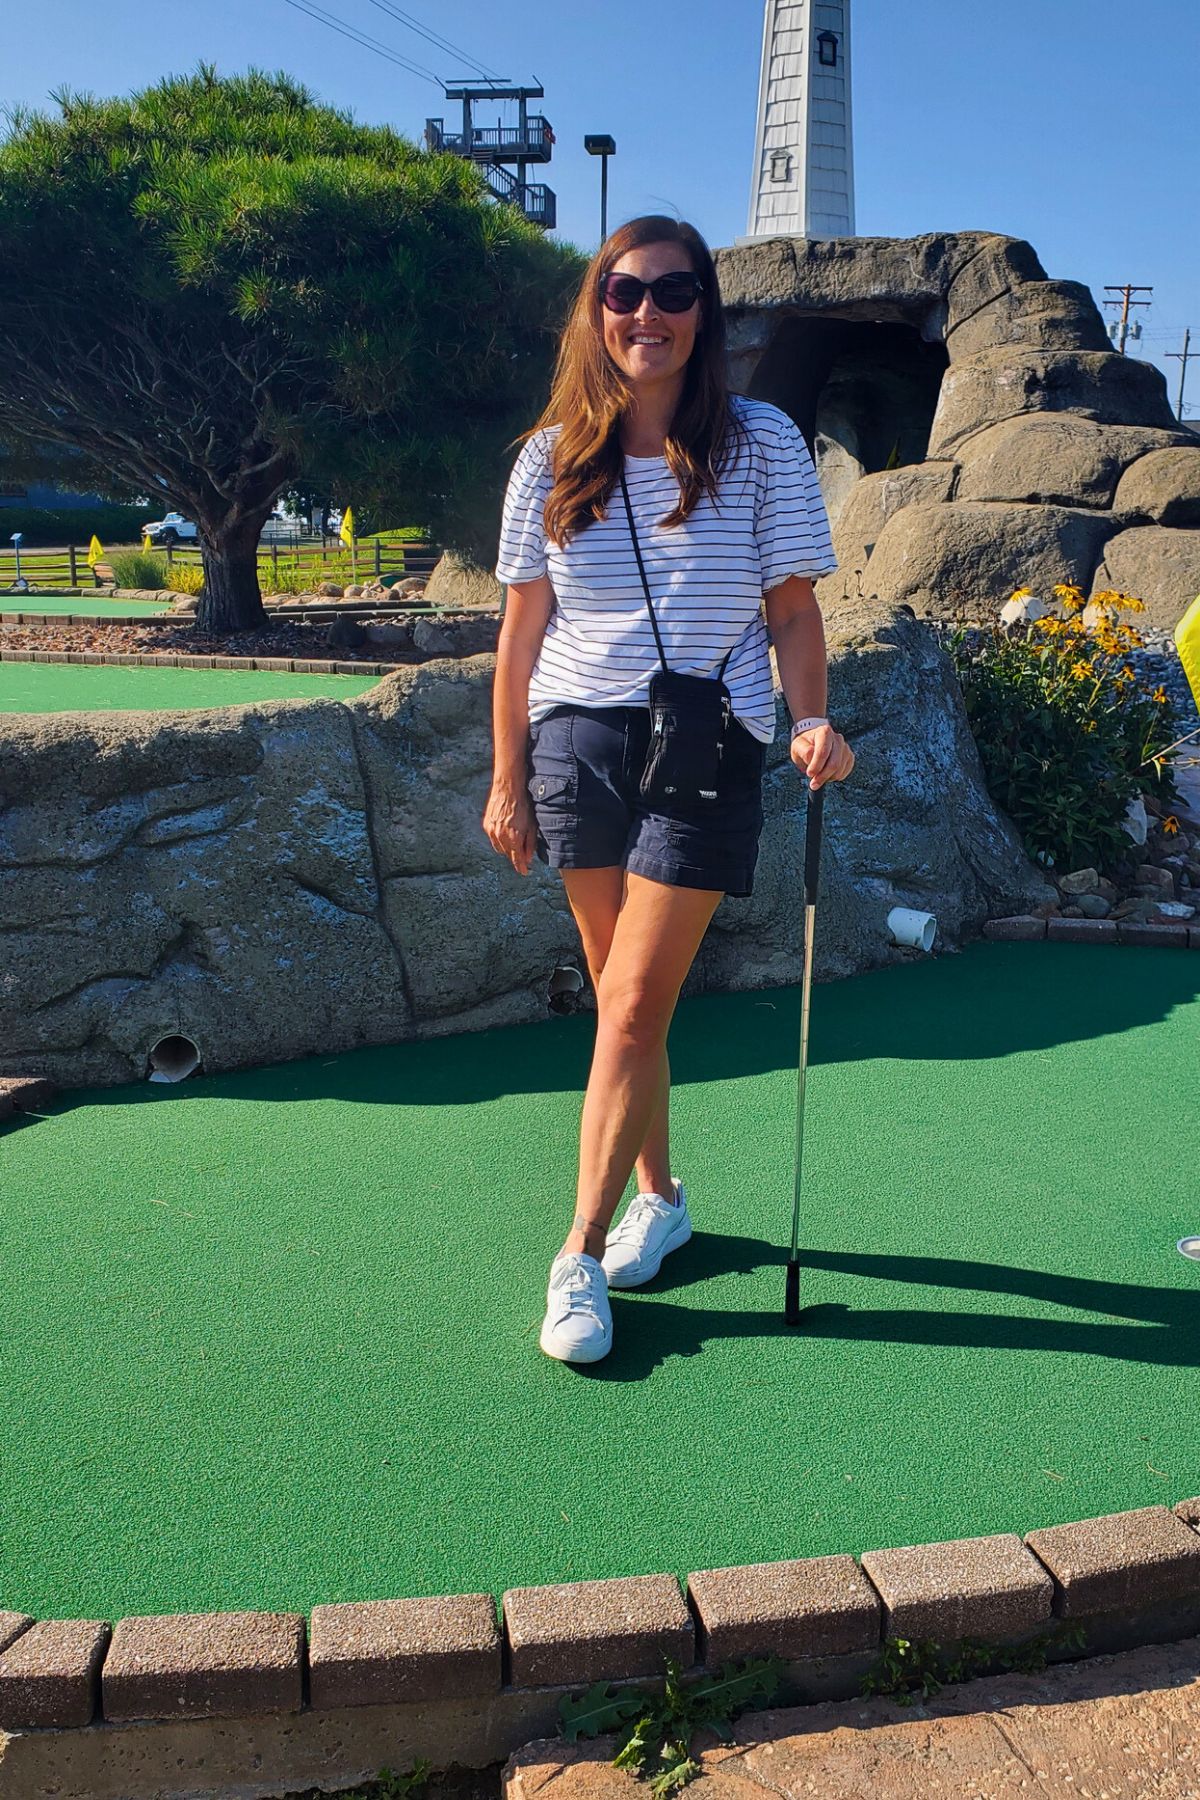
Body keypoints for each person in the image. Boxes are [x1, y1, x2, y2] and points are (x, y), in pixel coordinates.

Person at [483, 214, 855, 1365]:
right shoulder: (549, 459)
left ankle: (579, 1251)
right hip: (577, 740)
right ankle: (664, 1196)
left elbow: (791, 607)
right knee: (616, 1002)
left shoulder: (764, 444)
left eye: (675, 291)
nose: (649, 313)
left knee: (638, 1003)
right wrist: (505, 779)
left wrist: (811, 719)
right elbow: (519, 633)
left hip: (707, 736)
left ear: (706, 311)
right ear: (596, 313)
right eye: (625, 292)